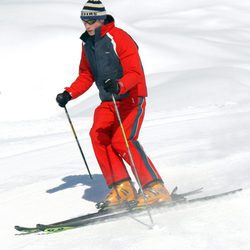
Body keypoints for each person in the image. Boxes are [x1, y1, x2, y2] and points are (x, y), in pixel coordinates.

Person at [56, 0, 171, 208]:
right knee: (98, 136)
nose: (87, 26)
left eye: (90, 21)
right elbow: (86, 74)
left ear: (101, 18)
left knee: (122, 140)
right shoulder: (88, 43)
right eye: (84, 21)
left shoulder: (119, 38)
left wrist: (120, 85)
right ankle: (122, 188)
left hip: (131, 99)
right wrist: (69, 93)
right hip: (109, 102)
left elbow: (135, 73)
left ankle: (155, 188)